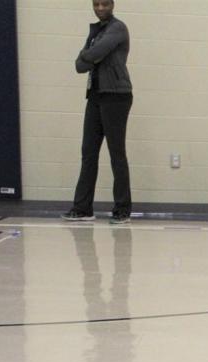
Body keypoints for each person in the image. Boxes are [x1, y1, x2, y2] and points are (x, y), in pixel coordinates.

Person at [61, 0, 133, 225]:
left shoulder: (118, 28)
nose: (100, 8)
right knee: (88, 152)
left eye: (104, 4)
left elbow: (96, 53)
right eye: (96, 4)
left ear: (112, 5)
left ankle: (122, 209)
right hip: (95, 95)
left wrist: (89, 55)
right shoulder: (95, 32)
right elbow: (79, 66)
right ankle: (82, 208)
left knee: (116, 153)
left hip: (116, 96)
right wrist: (90, 55)